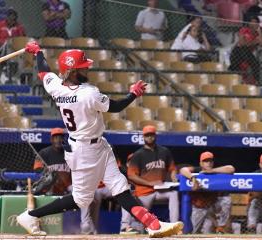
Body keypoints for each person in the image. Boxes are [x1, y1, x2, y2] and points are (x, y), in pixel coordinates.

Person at [16, 41, 183, 237]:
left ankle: (152, 224)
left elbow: (44, 72)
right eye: (82, 67)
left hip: (97, 146)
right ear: (71, 71)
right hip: (85, 151)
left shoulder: (56, 87)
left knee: (120, 186)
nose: (87, 69)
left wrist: (38, 53)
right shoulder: (88, 93)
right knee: (80, 199)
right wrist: (133, 94)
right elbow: (117, 107)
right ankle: (31, 215)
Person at [127, 125, 180, 228]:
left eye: (151, 135)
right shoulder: (138, 154)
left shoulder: (164, 151)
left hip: (161, 190)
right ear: (143, 137)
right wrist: (150, 183)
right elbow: (131, 175)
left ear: (155, 136)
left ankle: (174, 226)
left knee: (174, 194)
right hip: (144, 192)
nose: (149, 137)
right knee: (139, 223)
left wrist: (174, 176)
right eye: (147, 135)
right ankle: (133, 229)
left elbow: (172, 168)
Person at [180, 151, 235, 234]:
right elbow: (183, 170)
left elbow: (231, 168)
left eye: (210, 161)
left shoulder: (216, 171)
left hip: (212, 206)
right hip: (199, 207)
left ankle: (221, 226)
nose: (208, 163)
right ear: (201, 163)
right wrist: (192, 178)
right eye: (205, 161)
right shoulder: (197, 170)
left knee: (226, 200)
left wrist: (211, 171)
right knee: (194, 232)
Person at [0, 7, 26, 83]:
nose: (12, 19)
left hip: (15, 50)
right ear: (7, 17)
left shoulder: (19, 27)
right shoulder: (0, 25)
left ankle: (22, 82)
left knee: (24, 61)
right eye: (10, 17)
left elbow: (23, 39)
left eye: (14, 17)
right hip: (1, 48)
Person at [32, 128, 71, 195]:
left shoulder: (69, 152)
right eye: (56, 138)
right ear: (51, 139)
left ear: (64, 139)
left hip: (68, 187)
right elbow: (37, 169)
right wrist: (45, 172)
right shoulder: (43, 153)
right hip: (50, 187)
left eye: (60, 138)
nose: (58, 140)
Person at [229, 16, 262, 85]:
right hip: (238, 51)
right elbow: (241, 43)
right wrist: (254, 42)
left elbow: (261, 43)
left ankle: (258, 82)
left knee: (256, 64)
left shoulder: (258, 33)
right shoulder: (244, 30)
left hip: (247, 52)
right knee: (235, 67)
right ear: (249, 23)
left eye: (255, 22)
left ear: (258, 24)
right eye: (251, 22)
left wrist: (259, 33)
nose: (253, 24)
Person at [246, 154, 262, 233]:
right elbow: (252, 194)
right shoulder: (255, 175)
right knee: (254, 201)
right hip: (258, 204)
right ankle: (251, 226)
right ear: (260, 164)